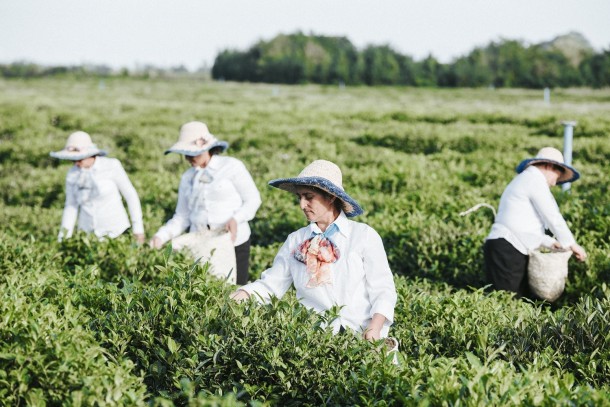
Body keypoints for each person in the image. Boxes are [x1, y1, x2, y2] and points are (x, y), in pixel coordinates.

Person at [230, 160, 397, 341]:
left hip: (363, 334)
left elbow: (383, 288)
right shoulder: (296, 240)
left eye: (308, 197)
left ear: (331, 196)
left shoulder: (363, 235)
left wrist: (375, 328)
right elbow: (272, 284)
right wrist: (243, 294)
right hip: (316, 339)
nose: (302, 204)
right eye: (299, 197)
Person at [150, 121, 261, 285]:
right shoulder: (187, 177)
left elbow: (253, 199)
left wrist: (235, 219)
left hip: (232, 242)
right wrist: (161, 236)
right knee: (206, 291)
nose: (188, 158)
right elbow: (182, 216)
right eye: (185, 154)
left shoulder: (231, 166)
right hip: (200, 244)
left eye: (192, 153)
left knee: (235, 292)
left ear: (207, 148)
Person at [484, 147, 587, 298]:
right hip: (506, 249)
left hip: (509, 248)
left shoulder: (528, 179)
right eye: (556, 178)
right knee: (505, 301)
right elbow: (553, 216)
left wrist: (551, 243)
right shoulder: (533, 179)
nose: (554, 183)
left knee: (516, 301)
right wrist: (572, 244)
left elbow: (524, 226)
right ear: (548, 166)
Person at [50, 130, 145, 243]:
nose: (76, 163)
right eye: (73, 160)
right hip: (88, 237)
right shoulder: (72, 174)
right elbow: (71, 206)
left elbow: (130, 195)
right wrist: (63, 239)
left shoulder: (111, 165)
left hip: (117, 232)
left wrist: (138, 229)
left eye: (79, 159)